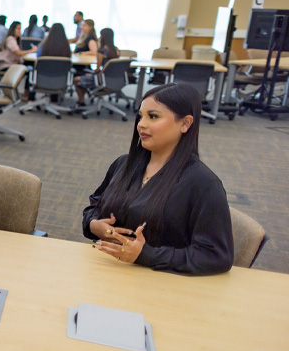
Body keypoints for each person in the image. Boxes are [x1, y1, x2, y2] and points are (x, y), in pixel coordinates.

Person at [82, 83, 233, 275]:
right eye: (140, 116)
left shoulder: (203, 183)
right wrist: (93, 224)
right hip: (107, 272)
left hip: (161, 285)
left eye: (153, 116)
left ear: (185, 123)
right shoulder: (124, 165)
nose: (141, 124)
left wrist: (147, 255)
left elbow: (216, 255)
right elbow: (94, 206)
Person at [74, 28, 120, 106]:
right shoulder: (116, 50)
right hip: (115, 79)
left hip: (101, 79)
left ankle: (81, 101)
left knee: (76, 79)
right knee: (84, 74)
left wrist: (92, 73)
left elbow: (97, 70)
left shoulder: (101, 51)